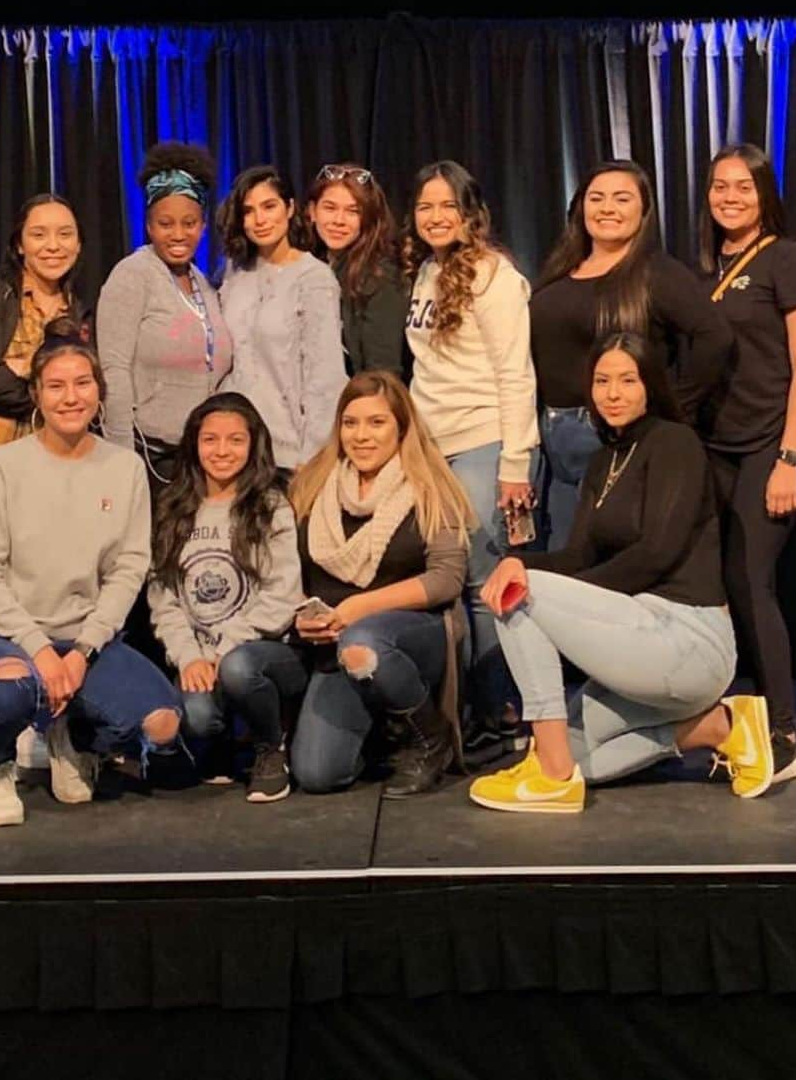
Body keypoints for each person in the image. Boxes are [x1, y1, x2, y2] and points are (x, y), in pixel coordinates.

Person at [469, 331, 772, 815]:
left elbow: (656, 554)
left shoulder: (676, 443)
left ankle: (551, 778)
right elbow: (581, 555)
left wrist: (544, 593)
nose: (613, 393)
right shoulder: (604, 460)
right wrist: (520, 561)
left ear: (650, 383)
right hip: (638, 643)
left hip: (690, 641)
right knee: (574, 752)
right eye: (602, 381)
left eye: (627, 380)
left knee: (518, 596)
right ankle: (723, 729)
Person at [0, 321, 181, 826]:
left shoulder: (125, 469)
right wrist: (39, 650)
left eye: (82, 383)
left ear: (99, 390)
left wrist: (82, 651)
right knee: (10, 689)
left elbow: (129, 568)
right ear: (37, 394)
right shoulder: (2, 468)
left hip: (84, 639)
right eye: (56, 386)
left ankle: (72, 736)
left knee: (162, 725)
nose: (70, 397)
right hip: (4, 636)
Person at [403, 159, 539, 759]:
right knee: (447, 584)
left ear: (470, 213)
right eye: (424, 206)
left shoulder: (493, 277)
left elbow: (516, 373)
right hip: (431, 450)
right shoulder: (426, 273)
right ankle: (465, 711)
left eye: (446, 206)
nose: (435, 217)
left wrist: (514, 463)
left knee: (489, 584)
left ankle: (504, 710)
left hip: (486, 441)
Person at [698, 145, 796, 784]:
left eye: (743, 187)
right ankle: (735, 723)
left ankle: (784, 735)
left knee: (751, 581)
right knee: (717, 588)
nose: (730, 197)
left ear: (764, 193)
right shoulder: (705, 269)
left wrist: (789, 458)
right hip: (714, 450)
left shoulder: (788, 260)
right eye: (720, 186)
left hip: (769, 446)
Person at [530, 161, 732, 550]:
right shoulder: (560, 269)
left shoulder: (655, 274)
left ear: (643, 211)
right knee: (564, 559)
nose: (607, 208)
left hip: (612, 435)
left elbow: (715, 336)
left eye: (622, 199)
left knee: (607, 562)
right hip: (552, 440)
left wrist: (674, 404)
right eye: (596, 198)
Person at [288, 371, 473, 797]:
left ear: (401, 428)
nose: (361, 436)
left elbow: (446, 579)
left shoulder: (430, 486)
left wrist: (358, 607)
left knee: (364, 643)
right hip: (332, 645)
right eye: (350, 423)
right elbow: (287, 572)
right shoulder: (313, 483)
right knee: (318, 774)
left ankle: (430, 739)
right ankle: (380, 731)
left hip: (410, 635)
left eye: (377, 423)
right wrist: (300, 617)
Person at [149, 392, 304, 802]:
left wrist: (222, 649)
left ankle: (271, 747)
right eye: (210, 439)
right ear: (194, 445)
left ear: (254, 445)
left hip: (262, 653)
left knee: (237, 669)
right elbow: (163, 599)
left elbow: (282, 596)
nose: (222, 451)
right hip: (200, 657)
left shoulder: (270, 506)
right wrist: (189, 656)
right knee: (197, 718)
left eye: (235, 440)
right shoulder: (173, 509)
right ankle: (226, 742)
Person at [96, 142, 233, 498]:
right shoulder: (132, 275)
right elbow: (113, 370)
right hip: (147, 458)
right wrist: (121, 461)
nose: (177, 234)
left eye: (189, 223)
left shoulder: (204, 282)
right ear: (148, 225)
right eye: (165, 223)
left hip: (197, 460)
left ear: (203, 225)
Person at [219, 165, 347, 473]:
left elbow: (325, 377)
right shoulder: (234, 273)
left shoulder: (314, 277)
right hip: (236, 447)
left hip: (289, 453)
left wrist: (313, 456)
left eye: (269, 206)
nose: (259, 220)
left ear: (290, 208)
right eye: (249, 211)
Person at [0, 192, 86, 454]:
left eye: (65, 234)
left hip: (59, 455)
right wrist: (53, 397)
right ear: (19, 244)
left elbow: (89, 386)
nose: (53, 246)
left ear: (78, 244)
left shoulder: (79, 309)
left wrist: (25, 368)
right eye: (39, 235)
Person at [307, 161, 409, 377]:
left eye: (352, 211)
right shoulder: (309, 267)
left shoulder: (381, 278)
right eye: (330, 208)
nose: (338, 221)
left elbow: (383, 372)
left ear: (368, 219)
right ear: (312, 211)